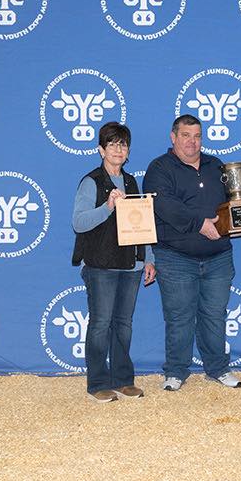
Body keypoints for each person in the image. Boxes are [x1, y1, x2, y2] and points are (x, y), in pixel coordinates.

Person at [143, 114, 241, 391]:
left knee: (215, 315)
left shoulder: (216, 165)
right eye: (186, 135)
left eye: (197, 136)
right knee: (179, 317)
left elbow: (233, 203)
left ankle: (218, 368)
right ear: (173, 137)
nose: (192, 142)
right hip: (175, 257)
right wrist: (200, 224)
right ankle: (176, 371)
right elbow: (164, 205)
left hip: (218, 256)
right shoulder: (159, 168)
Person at [71, 122, 156, 403]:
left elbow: (142, 223)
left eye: (123, 144)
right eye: (112, 144)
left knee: (123, 324)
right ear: (101, 150)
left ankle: (122, 379)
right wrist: (107, 207)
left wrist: (149, 258)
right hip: (101, 265)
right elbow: (79, 222)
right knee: (100, 324)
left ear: (128, 151)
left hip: (131, 265)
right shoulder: (91, 182)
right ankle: (97, 382)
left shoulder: (131, 182)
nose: (118, 149)